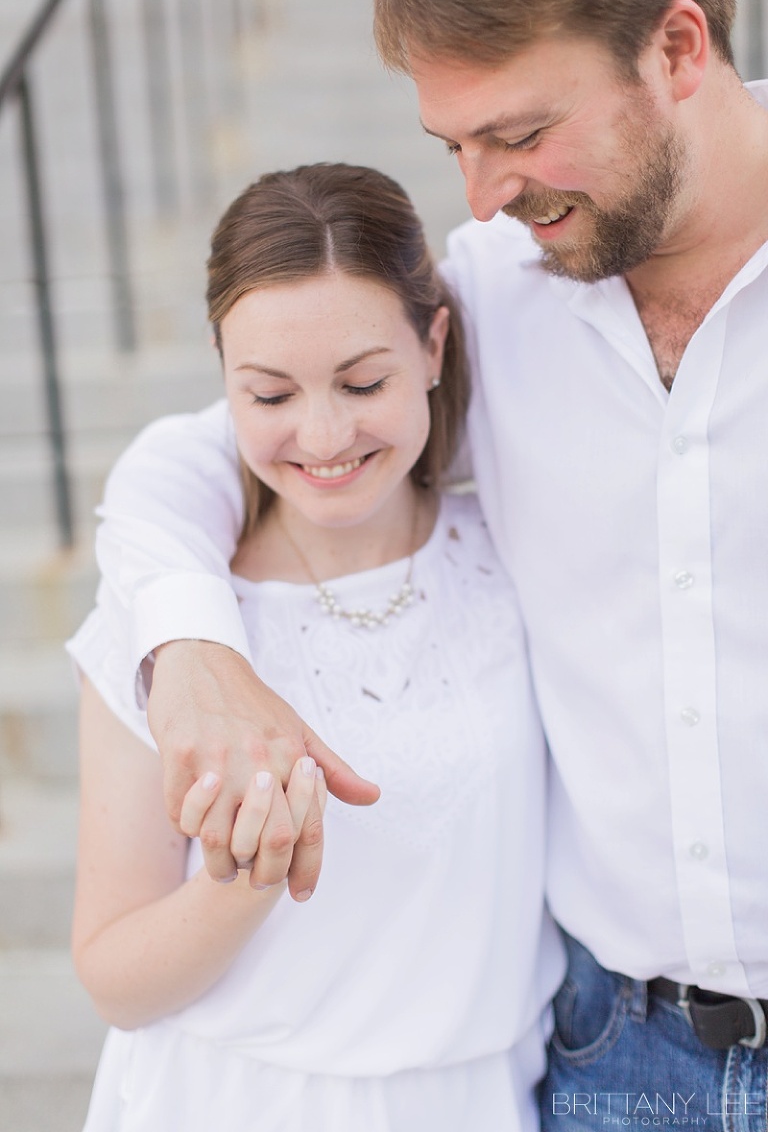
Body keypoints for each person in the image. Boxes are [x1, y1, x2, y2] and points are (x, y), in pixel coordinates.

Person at [85, 0, 768, 1127]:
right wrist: (190, 641)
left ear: (678, 49)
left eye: (522, 134)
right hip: (620, 1062)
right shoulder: (503, 294)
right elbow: (201, 456)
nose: (486, 193)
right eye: (454, 144)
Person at [68, 163, 562, 1132]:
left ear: (434, 345)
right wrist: (245, 881)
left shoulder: (514, 547)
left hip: (481, 1098)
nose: (323, 434)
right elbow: (113, 978)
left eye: (363, 381)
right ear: (222, 378)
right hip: (236, 1102)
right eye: (271, 394)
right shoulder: (173, 623)